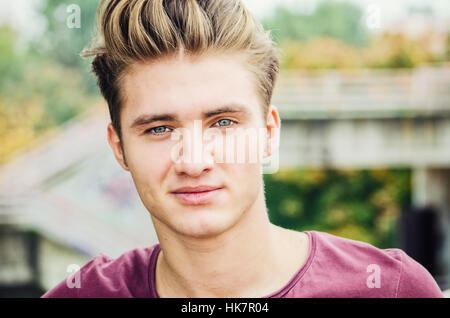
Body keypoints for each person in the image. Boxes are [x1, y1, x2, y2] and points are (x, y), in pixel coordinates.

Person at [41, 0, 443, 298]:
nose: (194, 161)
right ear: (119, 147)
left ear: (269, 132)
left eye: (224, 123)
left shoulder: (390, 289)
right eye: (160, 128)